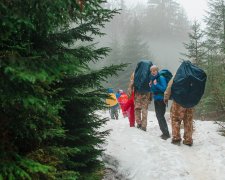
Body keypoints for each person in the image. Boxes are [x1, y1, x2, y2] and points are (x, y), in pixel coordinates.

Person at [164, 77, 194, 146]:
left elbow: (169, 86)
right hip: (189, 102)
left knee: (175, 119)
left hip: (178, 101)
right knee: (188, 120)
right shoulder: (193, 74)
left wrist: (166, 97)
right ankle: (188, 140)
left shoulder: (178, 74)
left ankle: (176, 138)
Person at [128, 66, 152, 132]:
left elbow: (131, 84)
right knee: (144, 110)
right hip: (146, 94)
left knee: (137, 109)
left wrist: (129, 94)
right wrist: (150, 98)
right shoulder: (149, 73)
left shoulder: (135, 73)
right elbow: (151, 85)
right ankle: (144, 126)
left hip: (137, 94)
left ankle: (139, 123)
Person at [149, 65, 170, 140]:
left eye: (154, 70)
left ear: (157, 70)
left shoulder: (161, 78)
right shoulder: (153, 79)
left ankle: (166, 134)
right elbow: (153, 91)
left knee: (160, 116)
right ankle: (164, 132)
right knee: (158, 116)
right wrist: (151, 86)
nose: (153, 72)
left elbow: (164, 89)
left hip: (162, 99)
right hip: (156, 99)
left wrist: (156, 84)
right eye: (151, 71)